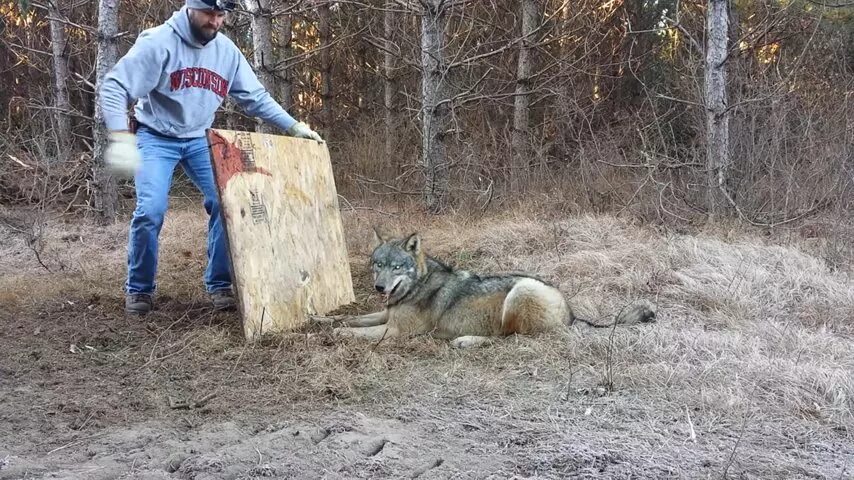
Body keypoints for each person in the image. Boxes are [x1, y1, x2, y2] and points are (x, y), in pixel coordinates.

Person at [98, 0, 323, 315]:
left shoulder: (226, 52)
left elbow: (255, 97)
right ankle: (139, 291)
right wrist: (120, 136)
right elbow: (114, 86)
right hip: (155, 137)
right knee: (151, 211)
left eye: (220, 16)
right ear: (190, 7)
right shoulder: (159, 43)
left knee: (226, 201)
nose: (214, 22)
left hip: (199, 137)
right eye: (208, 14)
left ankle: (219, 285)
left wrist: (294, 126)